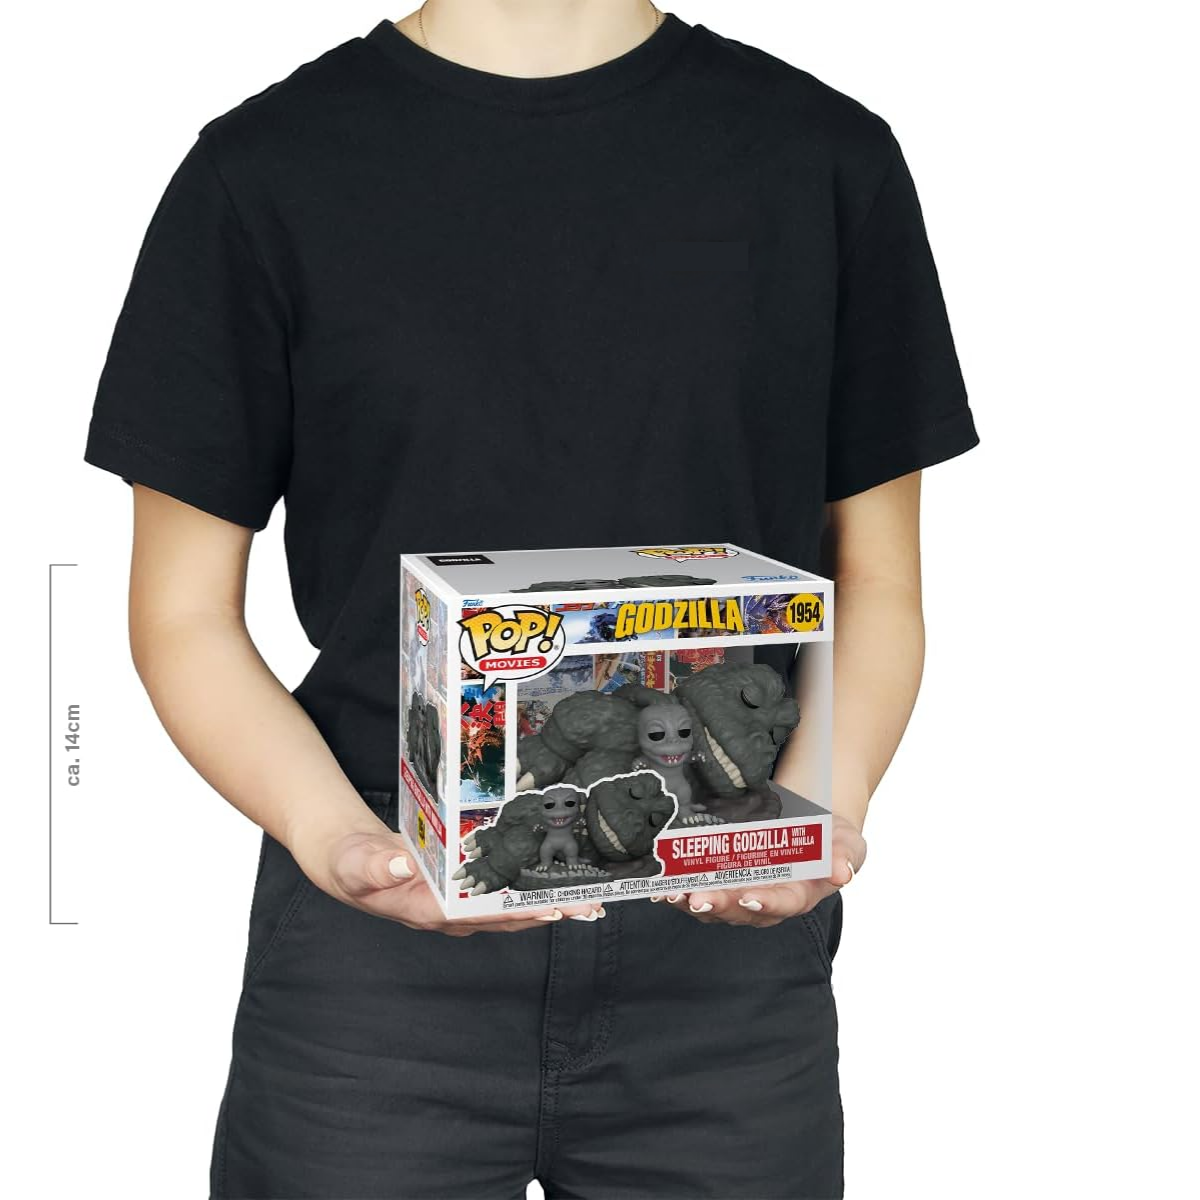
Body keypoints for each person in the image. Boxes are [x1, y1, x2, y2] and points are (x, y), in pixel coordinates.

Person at [84, 3, 977, 1196]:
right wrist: (334, 835)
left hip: (725, 942)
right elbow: (181, 614)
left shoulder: (824, 159)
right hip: (373, 953)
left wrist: (816, 817)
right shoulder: (261, 171)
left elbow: (881, 581)